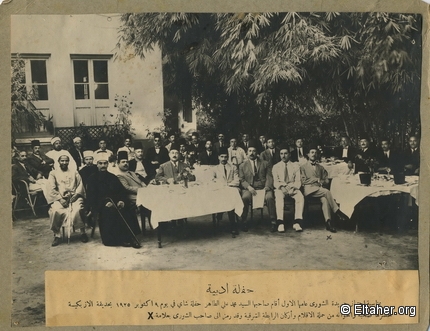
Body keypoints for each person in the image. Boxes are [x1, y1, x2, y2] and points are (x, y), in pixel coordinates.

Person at [86, 154, 141, 248]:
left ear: (108, 164)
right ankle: (116, 240)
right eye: (100, 163)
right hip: (101, 205)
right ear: (97, 165)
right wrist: (104, 203)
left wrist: (121, 200)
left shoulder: (113, 177)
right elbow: (91, 197)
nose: (103, 165)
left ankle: (130, 237)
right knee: (110, 212)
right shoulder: (92, 179)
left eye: (105, 163)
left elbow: (121, 191)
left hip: (115, 202)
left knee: (128, 209)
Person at [300, 147, 349, 233]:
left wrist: (322, 181)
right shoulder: (303, 167)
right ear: (308, 154)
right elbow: (303, 180)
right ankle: (337, 211)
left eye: (315, 152)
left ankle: (328, 222)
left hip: (319, 189)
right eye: (312, 152)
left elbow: (326, 179)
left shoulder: (320, 167)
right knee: (327, 192)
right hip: (309, 190)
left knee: (325, 199)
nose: (314, 154)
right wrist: (316, 180)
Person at [46, 155, 87, 247]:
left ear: (68, 162)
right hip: (60, 198)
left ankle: (82, 232)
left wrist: (76, 195)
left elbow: (80, 185)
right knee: (55, 210)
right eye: (62, 161)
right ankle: (57, 235)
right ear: (59, 162)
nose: (64, 163)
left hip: (74, 197)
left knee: (78, 209)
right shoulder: (53, 173)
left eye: (66, 161)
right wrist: (60, 199)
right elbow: (51, 188)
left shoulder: (74, 172)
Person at [238, 145, 276, 231]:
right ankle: (244, 221)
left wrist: (267, 187)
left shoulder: (265, 163)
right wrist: (249, 187)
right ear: (247, 153)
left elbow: (269, 177)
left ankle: (273, 221)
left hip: (263, 187)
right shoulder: (242, 165)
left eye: (254, 151)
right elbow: (241, 179)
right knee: (245, 198)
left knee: (270, 197)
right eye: (250, 151)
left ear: (257, 153)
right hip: (250, 188)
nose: (252, 153)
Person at [272, 147, 304, 233]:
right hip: (281, 188)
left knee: (300, 197)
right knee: (278, 197)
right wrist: (282, 187)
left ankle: (297, 222)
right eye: (281, 154)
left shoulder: (295, 166)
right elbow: (275, 182)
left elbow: (298, 180)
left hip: (292, 187)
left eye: (285, 153)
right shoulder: (276, 167)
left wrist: (293, 188)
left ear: (289, 155)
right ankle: (280, 222)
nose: (283, 156)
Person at [212, 146, 240, 237]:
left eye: (225, 157)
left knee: (231, 196)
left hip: (231, 188)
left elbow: (237, 180)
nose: (224, 159)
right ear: (218, 157)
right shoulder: (215, 168)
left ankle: (232, 224)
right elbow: (212, 181)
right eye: (222, 157)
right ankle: (222, 215)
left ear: (228, 157)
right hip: (220, 190)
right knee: (224, 197)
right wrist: (221, 186)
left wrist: (228, 185)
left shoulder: (233, 167)